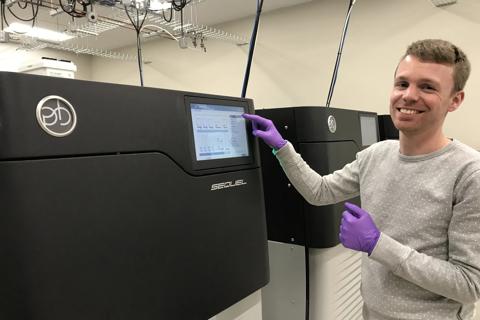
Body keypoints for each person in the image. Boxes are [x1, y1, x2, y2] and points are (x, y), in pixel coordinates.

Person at [243, 39, 480, 319]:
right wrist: (282, 148)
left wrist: (377, 244)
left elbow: (468, 284)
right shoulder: (375, 155)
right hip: (372, 311)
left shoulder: (469, 173)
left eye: (427, 87)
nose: (408, 96)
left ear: (455, 100)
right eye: (402, 84)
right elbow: (319, 191)